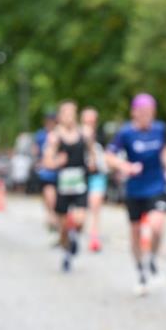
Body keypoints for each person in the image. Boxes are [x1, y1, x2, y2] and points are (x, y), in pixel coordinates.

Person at [106, 94, 166, 295]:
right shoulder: (126, 132)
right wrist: (125, 166)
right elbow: (109, 156)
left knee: (156, 225)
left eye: (150, 112)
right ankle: (140, 272)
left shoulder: (160, 129)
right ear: (134, 113)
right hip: (135, 189)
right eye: (143, 112)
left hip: (157, 186)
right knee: (136, 231)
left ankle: (152, 259)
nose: (147, 116)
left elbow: (165, 149)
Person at [43, 100, 90, 272]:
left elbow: (92, 153)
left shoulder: (84, 133)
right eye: (66, 114)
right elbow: (47, 161)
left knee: (80, 220)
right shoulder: (54, 137)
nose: (69, 117)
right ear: (60, 116)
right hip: (63, 185)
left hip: (80, 183)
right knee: (63, 227)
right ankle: (66, 253)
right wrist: (57, 162)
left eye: (72, 113)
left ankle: (74, 237)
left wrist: (93, 162)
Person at [81, 106, 108, 252]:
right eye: (87, 120)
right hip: (80, 176)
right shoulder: (77, 134)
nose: (90, 122)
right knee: (80, 211)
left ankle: (94, 237)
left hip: (97, 174)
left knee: (95, 205)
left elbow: (106, 154)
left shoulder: (101, 135)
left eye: (93, 120)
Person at [34, 112, 59, 233]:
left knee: (56, 197)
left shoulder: (59, 133)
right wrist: (39, 160)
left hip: (58, 169)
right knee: (48, 196)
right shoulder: (41, 135)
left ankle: (54, 215)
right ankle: (51, 215)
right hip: (46, 171)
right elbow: (36, 150)